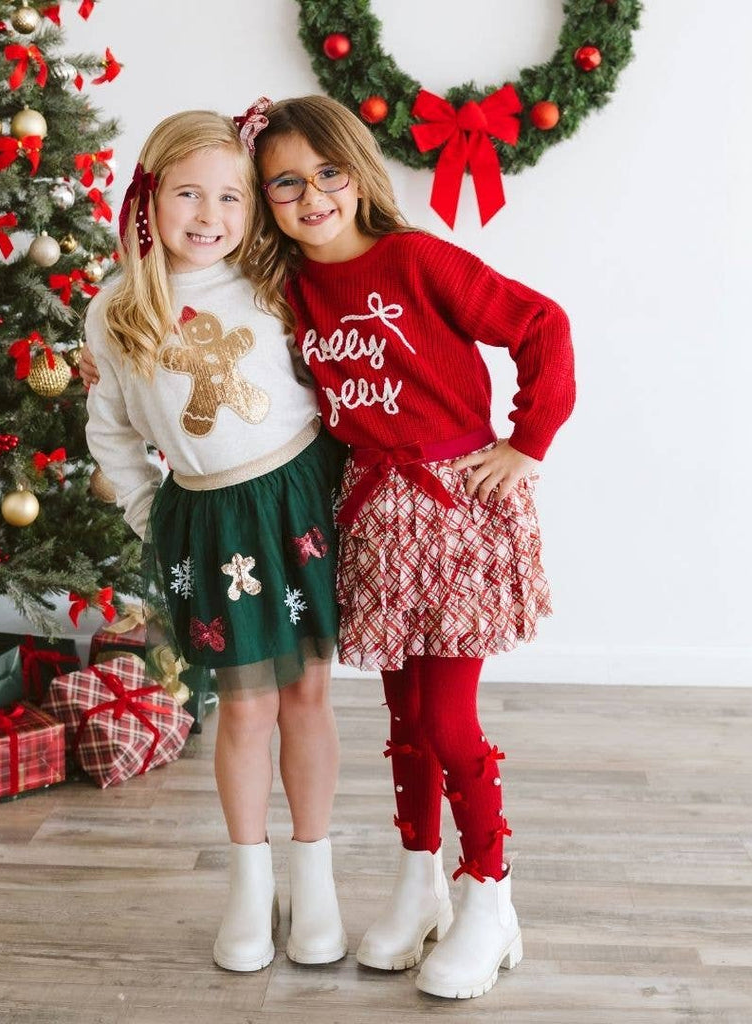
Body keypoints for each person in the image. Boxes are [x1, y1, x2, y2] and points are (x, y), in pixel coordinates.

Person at [249, 95, 576, 1000]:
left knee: (449, 722)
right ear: (264, 197)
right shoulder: (292, 293)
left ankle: (490, 896)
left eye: (327, 172)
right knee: (403, 724)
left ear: (357, 170)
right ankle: (418, 880)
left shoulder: (417, 259)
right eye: (285, 182)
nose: (311, 195)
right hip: (374, 516)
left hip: (454, 510)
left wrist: (526, 441)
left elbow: (541, 324)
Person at [82, 108, 349, 974]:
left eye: (230, 196)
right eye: (190, 194)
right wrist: (144, 512)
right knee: (245, 705)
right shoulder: (120, 309)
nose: (210, 215)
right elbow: (113, 432)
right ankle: (248, 882)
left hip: (298, 498)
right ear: (151, 198)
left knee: (307, 693)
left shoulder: (272, 279)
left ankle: (316, 880)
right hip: (211, 521)